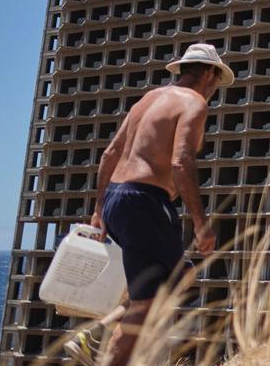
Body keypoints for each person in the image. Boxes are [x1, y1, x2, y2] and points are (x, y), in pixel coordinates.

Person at [78, 43, 234, 366]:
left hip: (116, 199)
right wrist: (201, 223)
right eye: (217, 82)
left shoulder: (146, 100)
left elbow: (109, 155)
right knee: (161, 295)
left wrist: (98, 208)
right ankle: (99, 339)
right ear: (209, 74)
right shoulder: (195, 102)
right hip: (145, 202)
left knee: (166, 286)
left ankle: (100, 333)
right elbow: (181, 162)